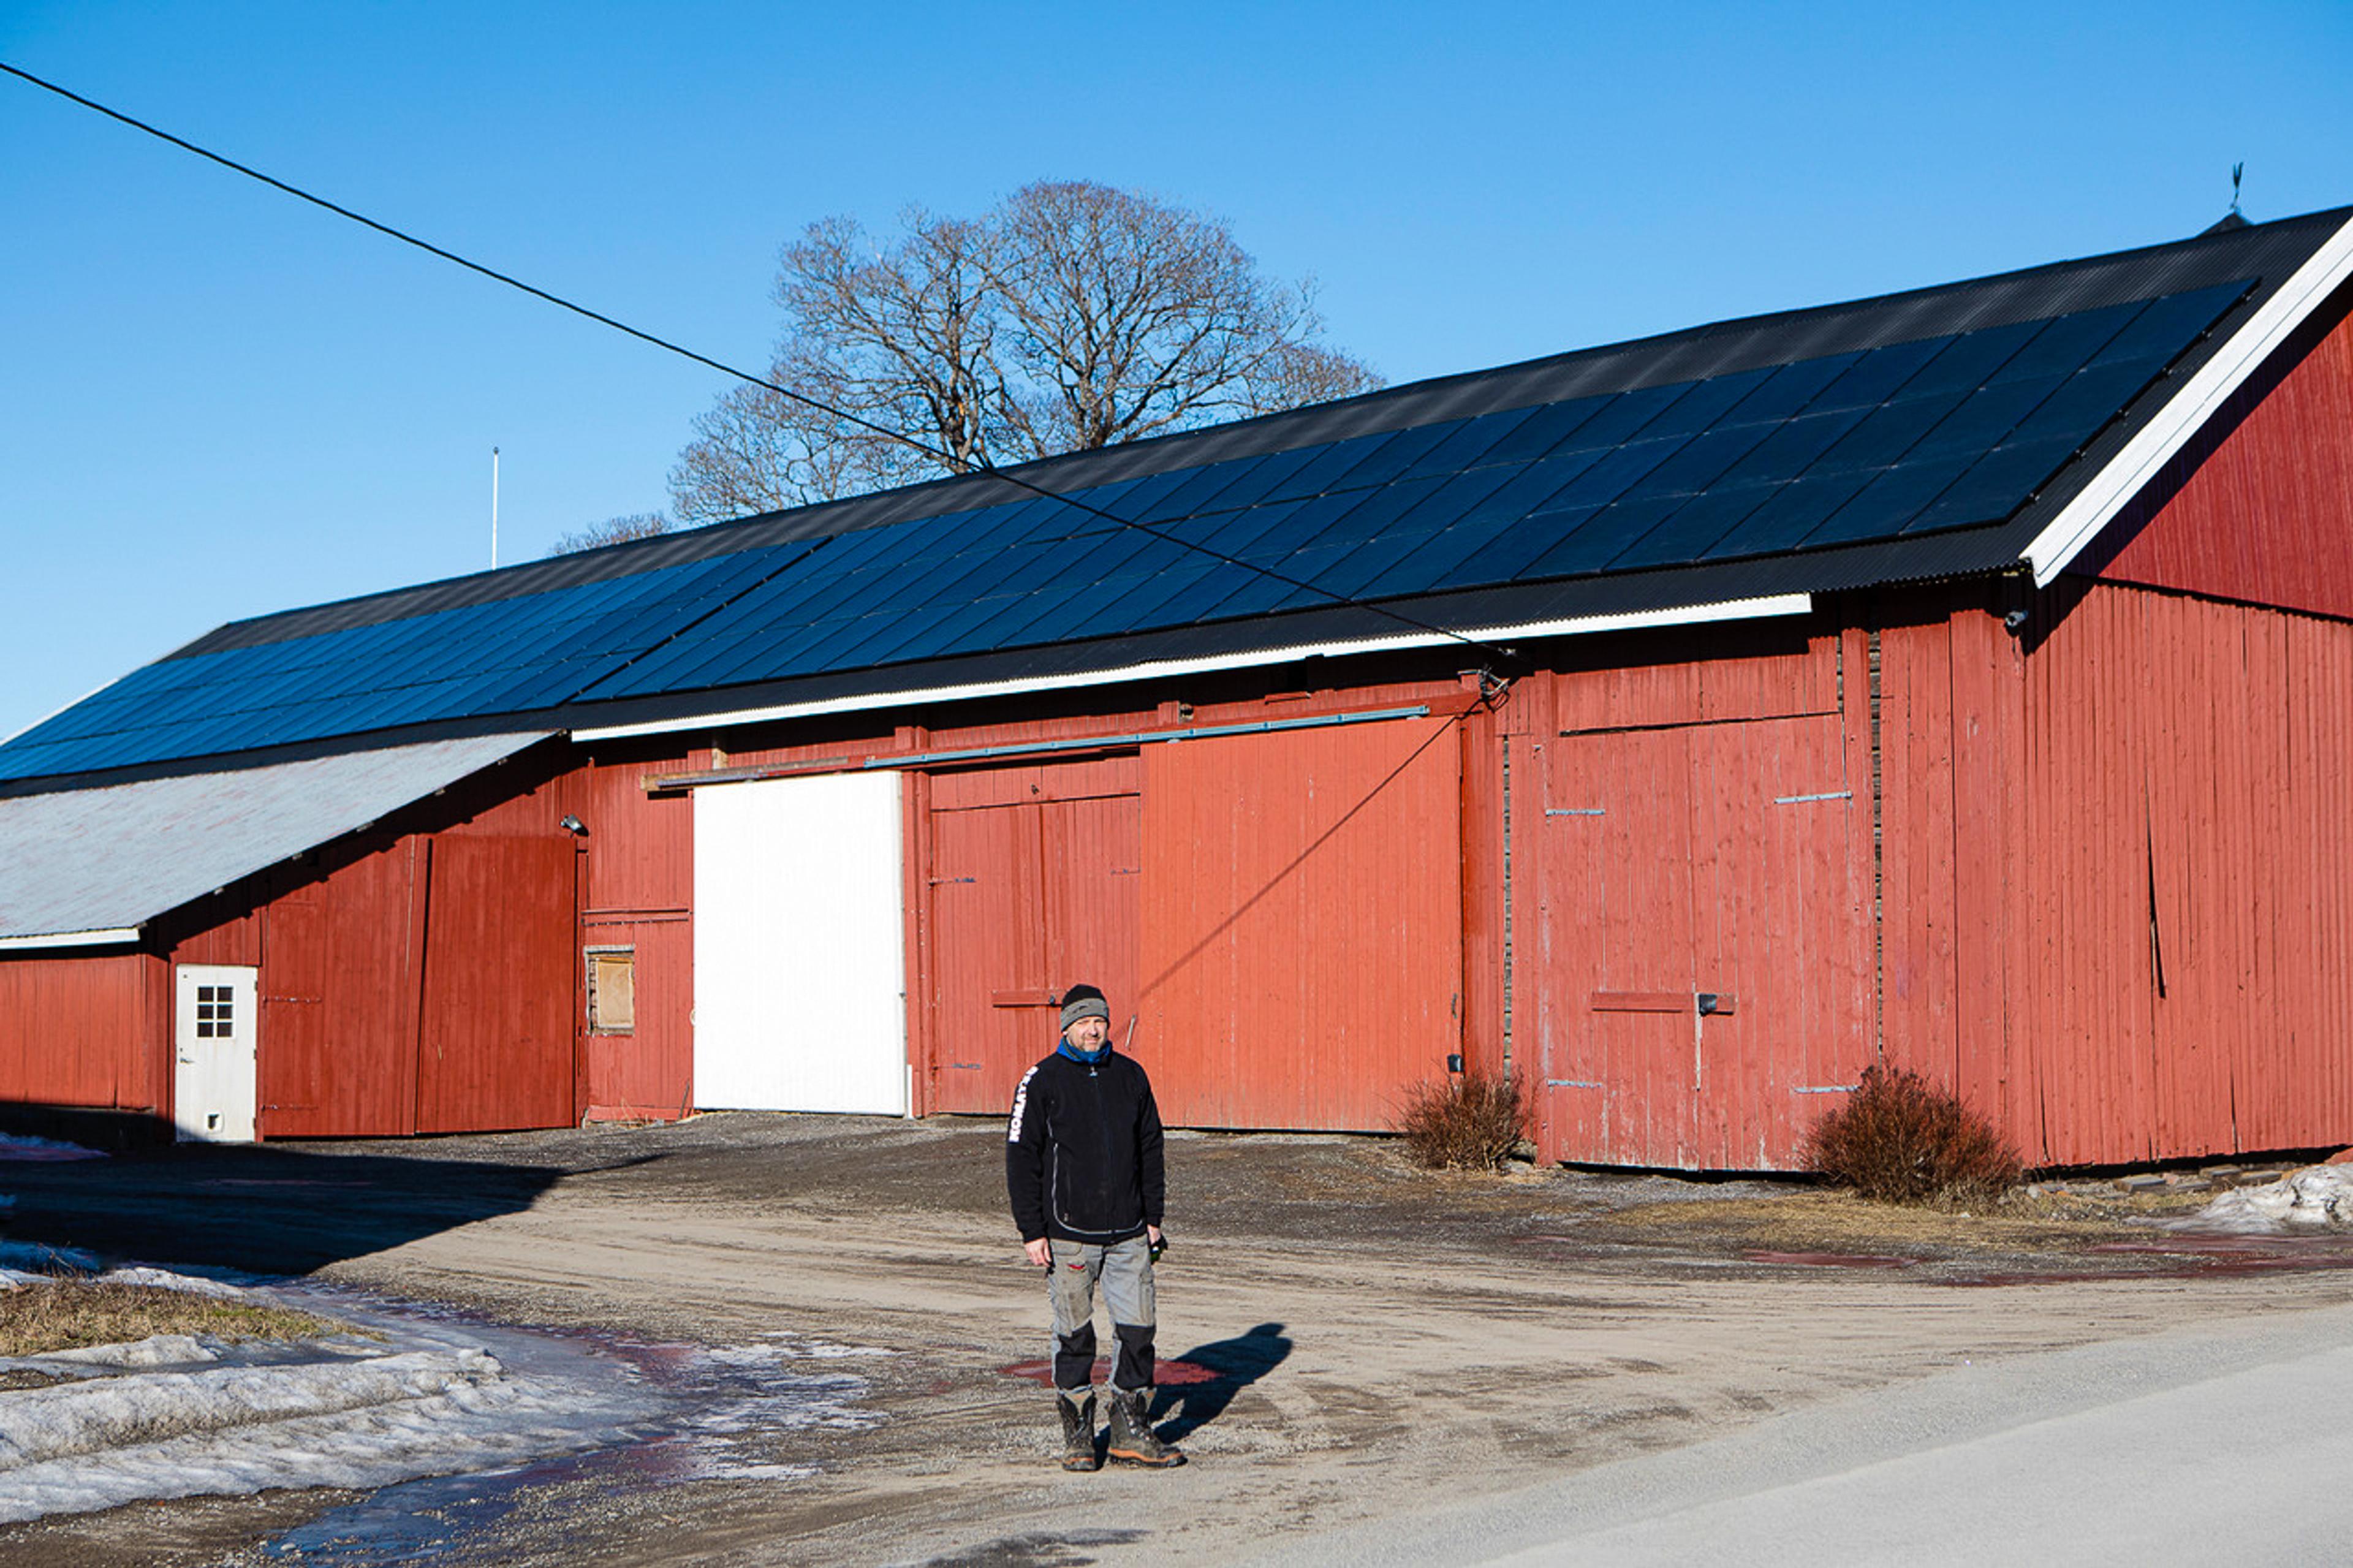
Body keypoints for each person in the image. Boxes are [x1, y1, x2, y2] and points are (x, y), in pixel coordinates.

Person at [1006, 982, 1184, 1471]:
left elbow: (1151, 1147)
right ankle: (1079, 1434)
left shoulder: (1130, 1076)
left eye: (1100, 1021)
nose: (1093, 1029)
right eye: (1084, 1021)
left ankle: (1130, 1429)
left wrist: (1153, 1218)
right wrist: (1032, 1230)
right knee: (1074, 1335)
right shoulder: (1041, 1080)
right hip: (1068, 1234)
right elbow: (1022, 1157)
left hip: (1129, 1232)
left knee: (1138, 1329)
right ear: (1066, 1027)